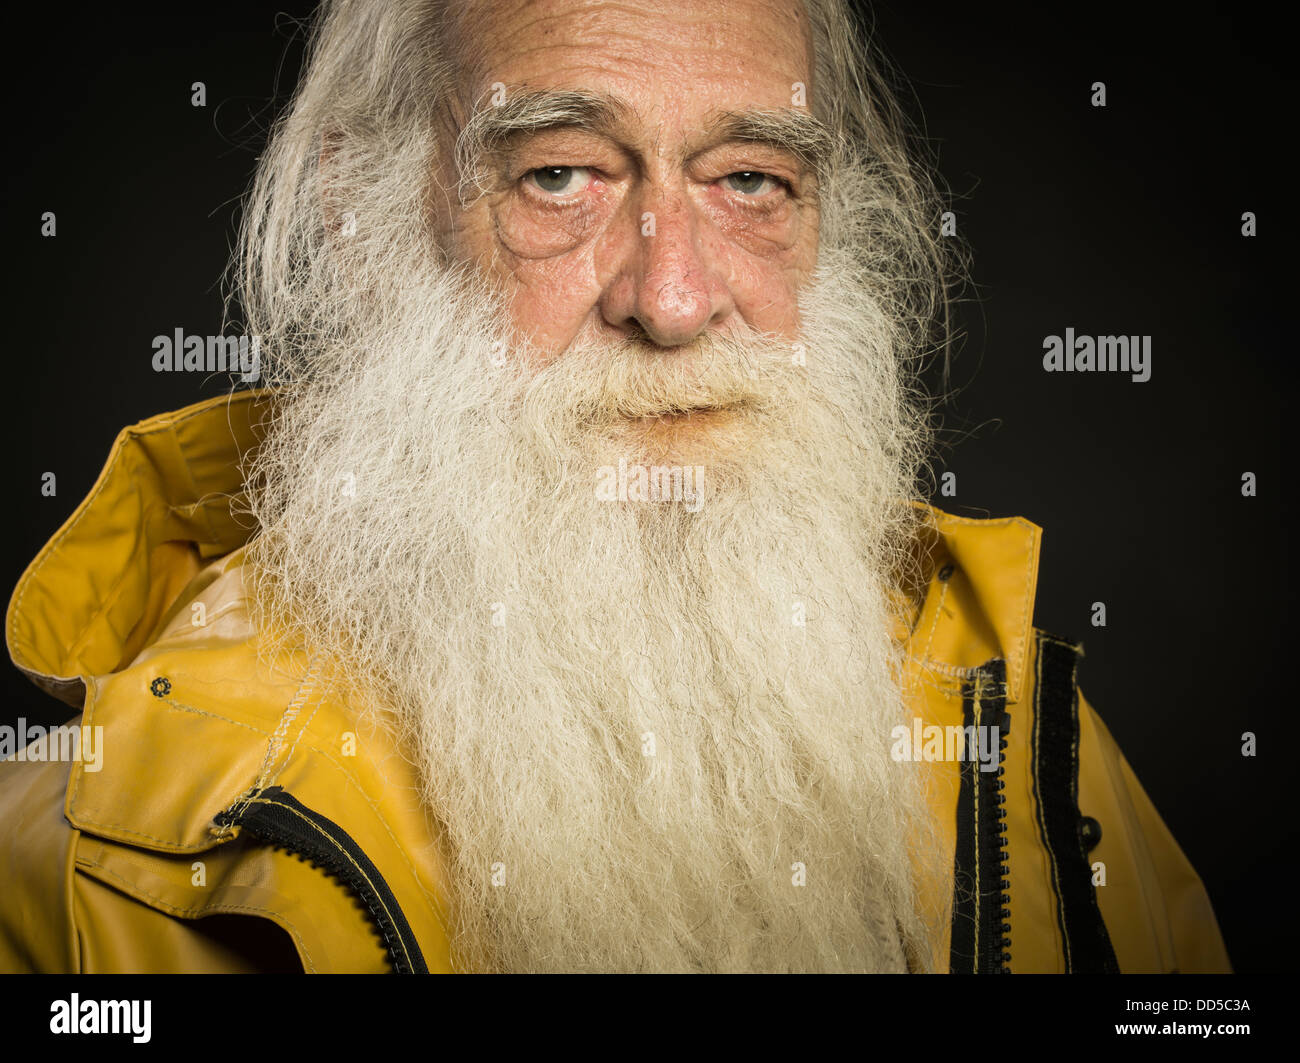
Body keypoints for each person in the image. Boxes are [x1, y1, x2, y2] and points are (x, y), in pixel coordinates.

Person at [0, 0, 1229, 973]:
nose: (675, 299)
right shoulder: (72, 869)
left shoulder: (1030, 752)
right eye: (560, 176)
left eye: (750, 178)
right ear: (353, 219)